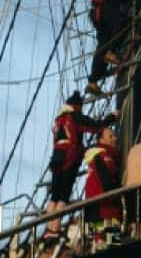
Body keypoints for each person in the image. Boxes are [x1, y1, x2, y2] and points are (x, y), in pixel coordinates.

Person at [45, 93, 107, 242]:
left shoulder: (59, 120)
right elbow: (95, 126)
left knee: (54, 195)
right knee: (63, 196)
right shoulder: (75, 117)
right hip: (69, 159)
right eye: (112, 136)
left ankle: (49, 228)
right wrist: (111, 117)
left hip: (56, 158)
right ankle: (55, 228)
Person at [79, 124, 124, 249]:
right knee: (111, 245)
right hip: (105, 209)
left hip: (94, 210)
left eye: (114, 135)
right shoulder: (104, 156)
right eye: (111, 136)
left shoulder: (96, 157)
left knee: (99, 244)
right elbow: (107, 181)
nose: (114, 138)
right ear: (101, 140)